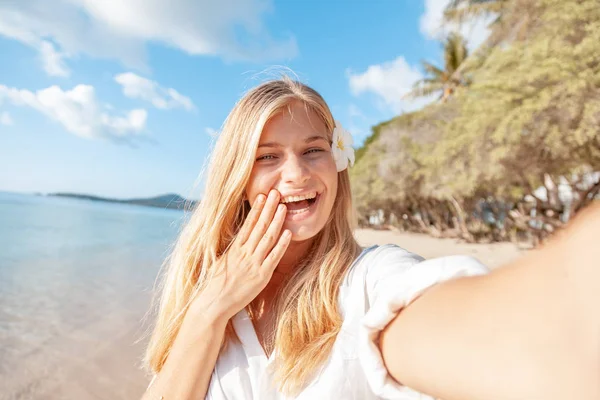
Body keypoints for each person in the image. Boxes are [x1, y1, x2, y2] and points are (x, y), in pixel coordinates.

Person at [141, 77, 599, 400]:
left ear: (337, 163)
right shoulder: (203, 286)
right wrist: (210, 309)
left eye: (313, 150)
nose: (297, 174)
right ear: (236, 177)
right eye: (268, 157)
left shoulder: (368, 280)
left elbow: (469, 330)